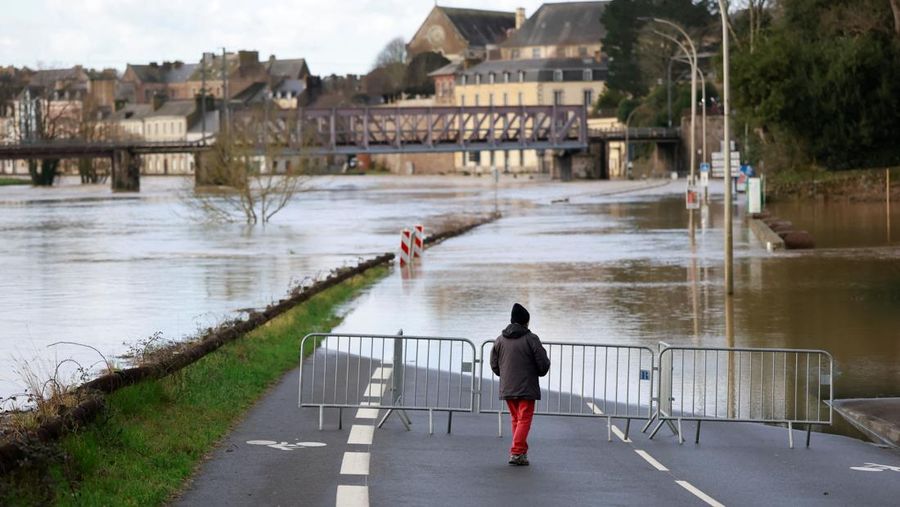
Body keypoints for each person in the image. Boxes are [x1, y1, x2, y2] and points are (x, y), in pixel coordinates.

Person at [489, 303, 550, 466]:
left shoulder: (500, 339)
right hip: (526, 387)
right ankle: (516, 452)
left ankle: (521, 453)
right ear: (525, 322)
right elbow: (543, 364)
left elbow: (494, 364)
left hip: (508, 386)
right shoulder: (531, 339)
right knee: (524, 419)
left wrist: (506, 375)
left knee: (516, 419)